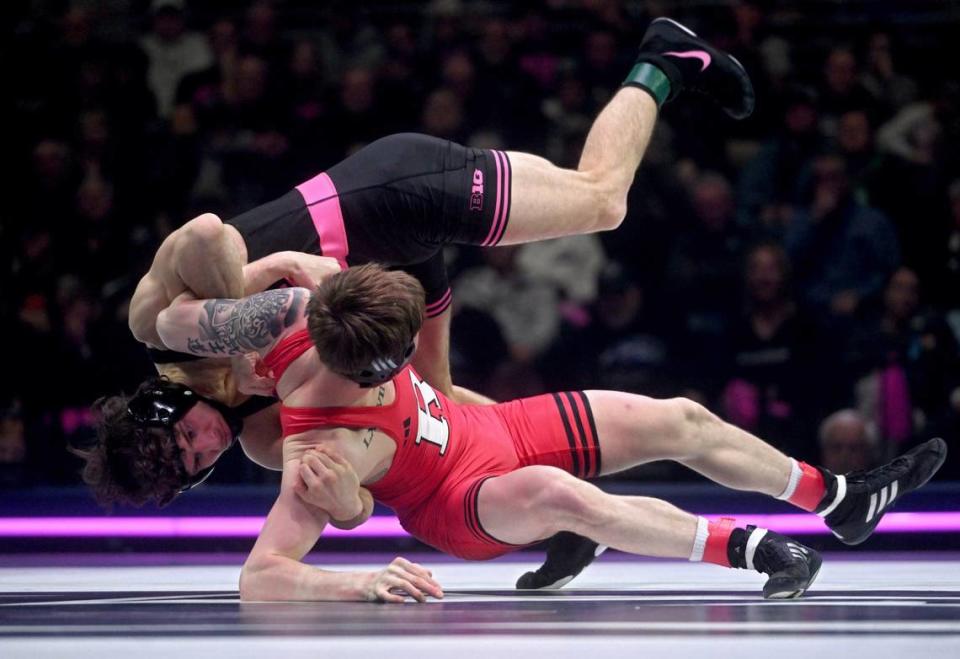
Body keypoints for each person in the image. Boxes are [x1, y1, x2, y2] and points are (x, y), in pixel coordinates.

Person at [81, 18, 757, 589]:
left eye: (186, 437)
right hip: (389, 282)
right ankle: (570, 521)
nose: (208, 446)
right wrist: (348, 508)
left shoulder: (163, 327)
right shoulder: (259, 438)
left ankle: (662, 61)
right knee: (444, 398)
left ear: (163, 403)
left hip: (384, 201)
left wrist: (264, 284)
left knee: (602, 201)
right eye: (198, 464)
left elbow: (206, 232)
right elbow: (370, 480)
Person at [147, 264, 945, 602]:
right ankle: (752, 546)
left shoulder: (297, 309)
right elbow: (261, 575)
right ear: (363, 366)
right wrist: (352, 579)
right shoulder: (312, 455)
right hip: (461, 499)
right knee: (567, 495)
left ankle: (837, 498)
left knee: (680, 417)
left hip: (489, 422)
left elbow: (174, 313)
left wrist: (222, 297)